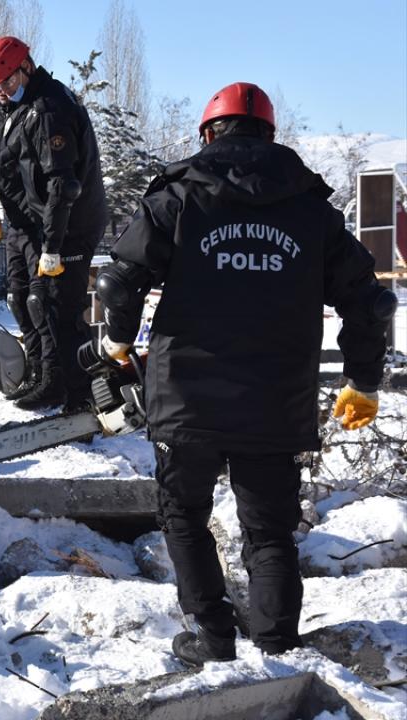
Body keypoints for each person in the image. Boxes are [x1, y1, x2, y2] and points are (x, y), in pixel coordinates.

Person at [95, 82, 395, 666]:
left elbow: (119, 279)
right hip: (276, 398)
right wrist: (363, 379)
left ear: (209, 133)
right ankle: (277, 647)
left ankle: (212, 637)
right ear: (270, 135)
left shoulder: (179, 196)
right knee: (269, 530)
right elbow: (369, 302)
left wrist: (116, 342)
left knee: (183, 513)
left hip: (188, 394)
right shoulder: (312, 211)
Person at [0, 35, 107, 410]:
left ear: (27, 68)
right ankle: (39, 372)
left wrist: (53, 247)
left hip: (67, 224)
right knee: (19, 298)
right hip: (25, 221)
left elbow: (62, 186)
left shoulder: (49, 108)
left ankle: (75, 391)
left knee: (53, 306)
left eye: (8, 83)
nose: (1, 91)